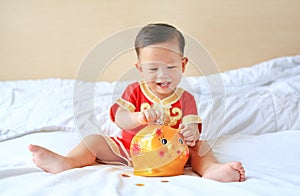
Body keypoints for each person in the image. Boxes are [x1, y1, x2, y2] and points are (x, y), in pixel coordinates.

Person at [28, 23, 245, 182]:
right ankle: (67, 162)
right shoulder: (134, 91)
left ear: (183, 64)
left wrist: (190, 132)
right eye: (153, 69)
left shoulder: (185, 98)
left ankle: (211, 170)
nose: (163, 75)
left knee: (201, 147)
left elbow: (192, 127)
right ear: (140, 68)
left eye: (171, 67)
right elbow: (120, 118)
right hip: (129, 149)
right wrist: (136, 117)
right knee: (93, 140)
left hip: (172, 155)